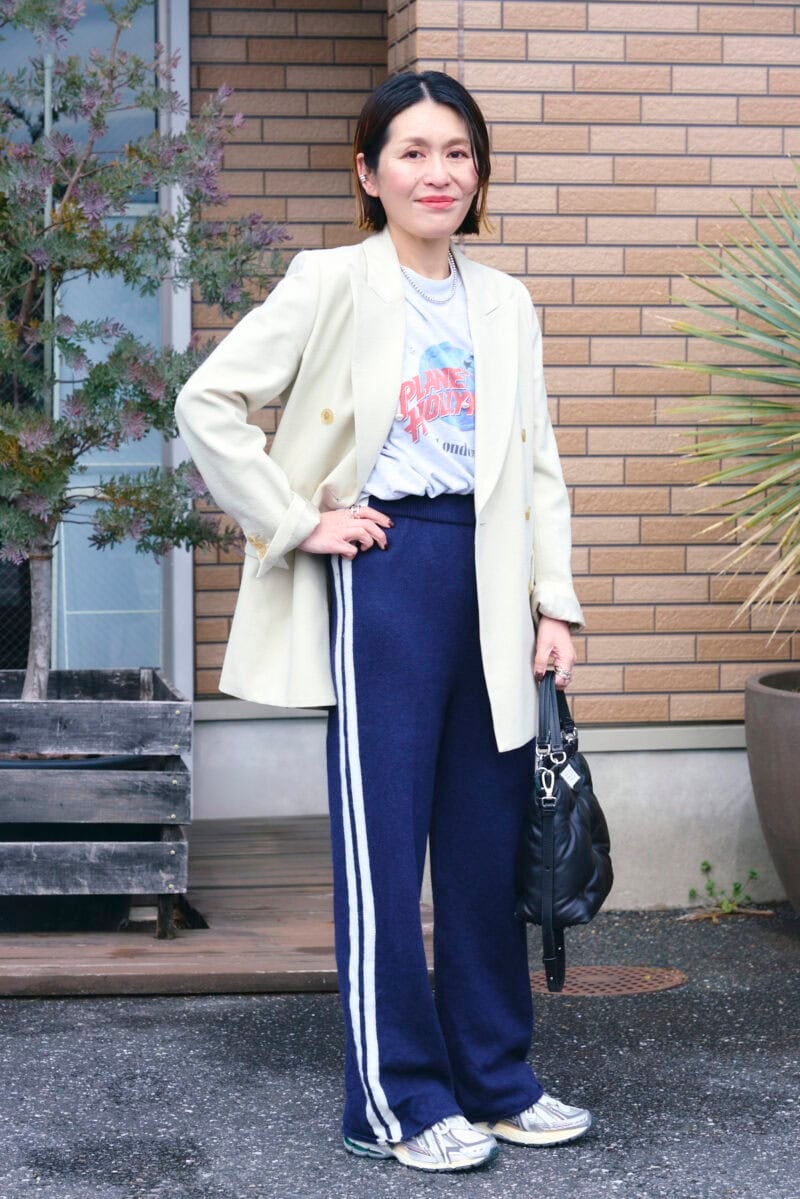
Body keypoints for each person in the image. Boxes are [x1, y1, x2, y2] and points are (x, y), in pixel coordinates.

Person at [174, 70, 589, 1174]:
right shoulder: (330, 281)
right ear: (368, 172)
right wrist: (294, 520)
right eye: (411, 152)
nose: (436, 173)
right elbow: (206, 400)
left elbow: (536, 464)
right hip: (385, 570)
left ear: (478, 173)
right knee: (385, 848)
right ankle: (394, 1099)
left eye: (456, 152)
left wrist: (554, 602)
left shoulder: (505, 302)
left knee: (483, 843)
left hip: (489, 575)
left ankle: (495, 1080)